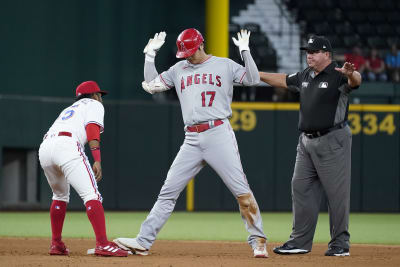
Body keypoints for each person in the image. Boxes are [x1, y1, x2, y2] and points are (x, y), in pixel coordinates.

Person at [113, 28, 268, 258]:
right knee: (168, 191)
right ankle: (143, 241)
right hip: (192, 138)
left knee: (241, 190)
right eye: (184, 52)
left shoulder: (224, 65)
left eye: (191, 50)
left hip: (218, 133)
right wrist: (149, 56)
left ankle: (258, 240)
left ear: (201, 44)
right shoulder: (179, 69)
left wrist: (245, 51)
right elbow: (151, 85)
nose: (188, 55)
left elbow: (253, 79)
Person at [259, 35, 361, 256]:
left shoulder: (338, 74)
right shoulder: (305, 74)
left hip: (332, 140)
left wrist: (352, 73)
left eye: (314, 51)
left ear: (327, 54)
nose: (310, 55)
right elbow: (283, 80)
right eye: (308, 51)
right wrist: (255, 74)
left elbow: (356, 82)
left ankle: (340, 244)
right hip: (306, 142)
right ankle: (299, 242)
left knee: (337, 195)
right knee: (300, 188)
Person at [38, 81, 128, 257]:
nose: (100, 98)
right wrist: (97, 160)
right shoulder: (93, 104)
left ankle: (56, 244)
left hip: (46, 147)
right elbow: (92, 130)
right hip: (67, 145)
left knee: (59, 196)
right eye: (99, 95)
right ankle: (102, 243)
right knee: (92, 195)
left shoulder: (70, 109)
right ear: (94, 95)